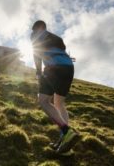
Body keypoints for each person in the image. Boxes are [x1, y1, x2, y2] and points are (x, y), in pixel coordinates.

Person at [31, 20, 80, 154]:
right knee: (59, 103)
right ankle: (64, 140)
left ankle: (66, 131)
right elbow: (61, 50)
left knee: (43, 101)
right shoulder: (58, 38)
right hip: (69, 67)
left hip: (53, 68)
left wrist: (39, 73)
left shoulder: (35, 35)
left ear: (36, 29)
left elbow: (36, 54)